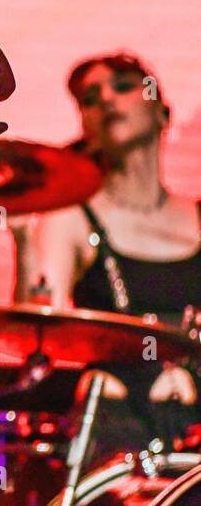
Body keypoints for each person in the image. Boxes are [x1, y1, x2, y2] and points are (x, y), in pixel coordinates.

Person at [17, 52, 200, 465]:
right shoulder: (71, 215)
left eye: (123, 86)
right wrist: (25, 241)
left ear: (163, 113)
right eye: (90, 98)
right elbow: (42, 323)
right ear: (86, 125)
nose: (107, 100)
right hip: (114, 425)